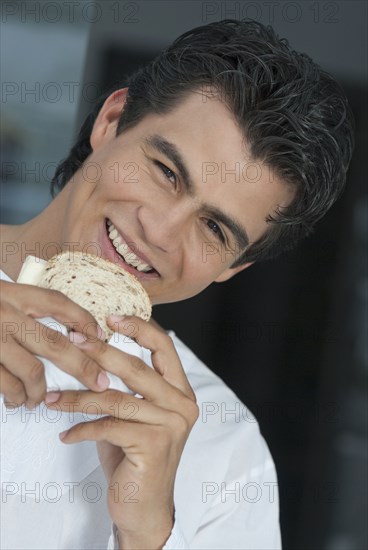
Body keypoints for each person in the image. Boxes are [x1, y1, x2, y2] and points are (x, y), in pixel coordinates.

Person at [0, 19, 354, 550]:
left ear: (235, 268)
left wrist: (150, 534)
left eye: (214, 228)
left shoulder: (228, 450)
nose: (160, 232)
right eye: (166, 171)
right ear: (113, 121)